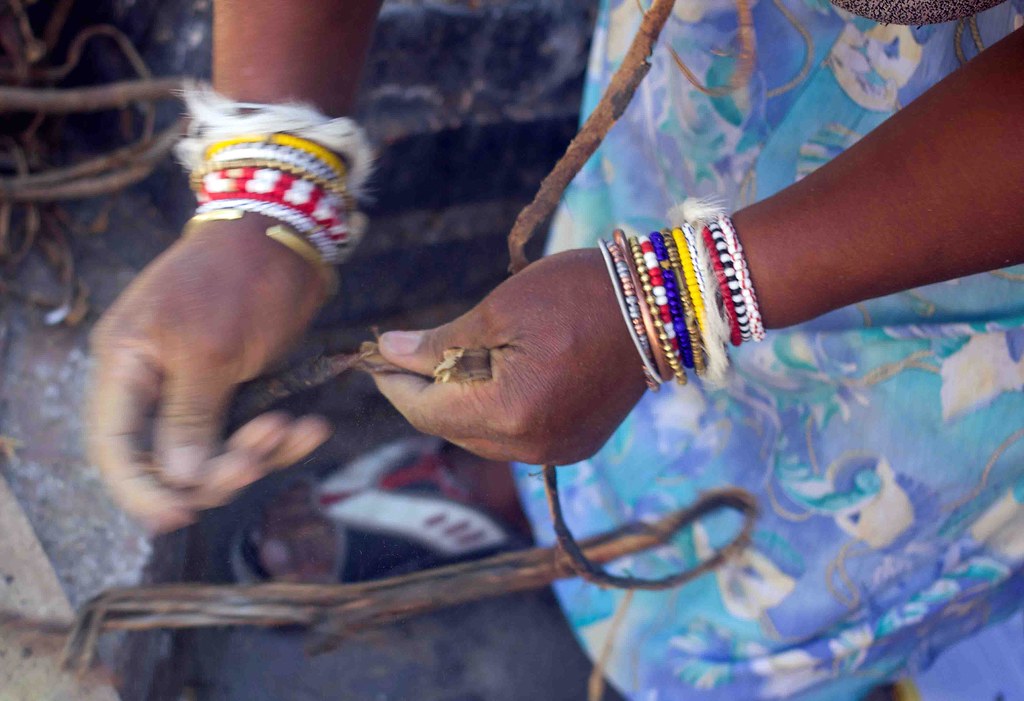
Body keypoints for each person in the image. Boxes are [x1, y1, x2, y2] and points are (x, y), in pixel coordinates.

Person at [87, 0, 1024, 698]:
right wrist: (264, 192)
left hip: (981, 247)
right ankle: (517, 481)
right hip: (734, 65)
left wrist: (670, 302)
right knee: (621, 258)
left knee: (858, 507)